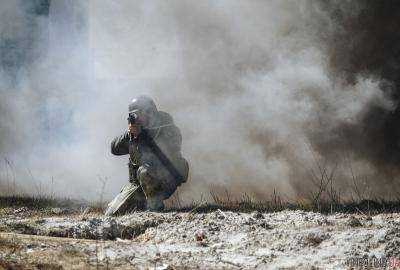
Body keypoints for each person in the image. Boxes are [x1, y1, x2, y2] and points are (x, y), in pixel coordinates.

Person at [105, 96, 189, 216]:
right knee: (111, 214)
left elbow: (163, 155)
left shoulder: (168, 129)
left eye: (139, 114)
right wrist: (130, 134)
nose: (136, 118)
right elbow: (114, 149)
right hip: (139, 183)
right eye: (133, 116)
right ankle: (142, 203)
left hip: (166, 177)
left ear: (150, 112)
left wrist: (142, 136)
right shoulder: (136, 132)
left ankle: (155, 209)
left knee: (145, 171)